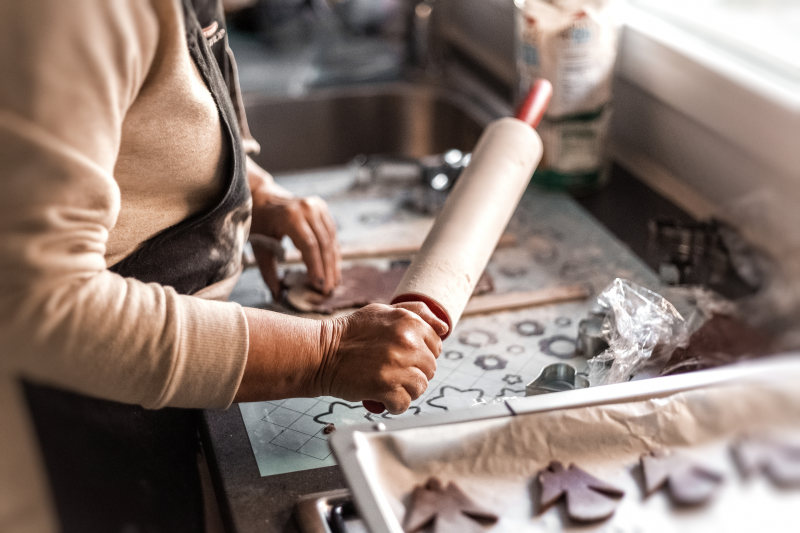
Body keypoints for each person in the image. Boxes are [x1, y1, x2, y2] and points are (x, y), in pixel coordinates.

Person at [0, 1, 445, 531]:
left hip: (157, 400)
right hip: (67, 425)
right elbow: (41, 306)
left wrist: (251, 193)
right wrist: (325, 354)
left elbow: (152, 118)